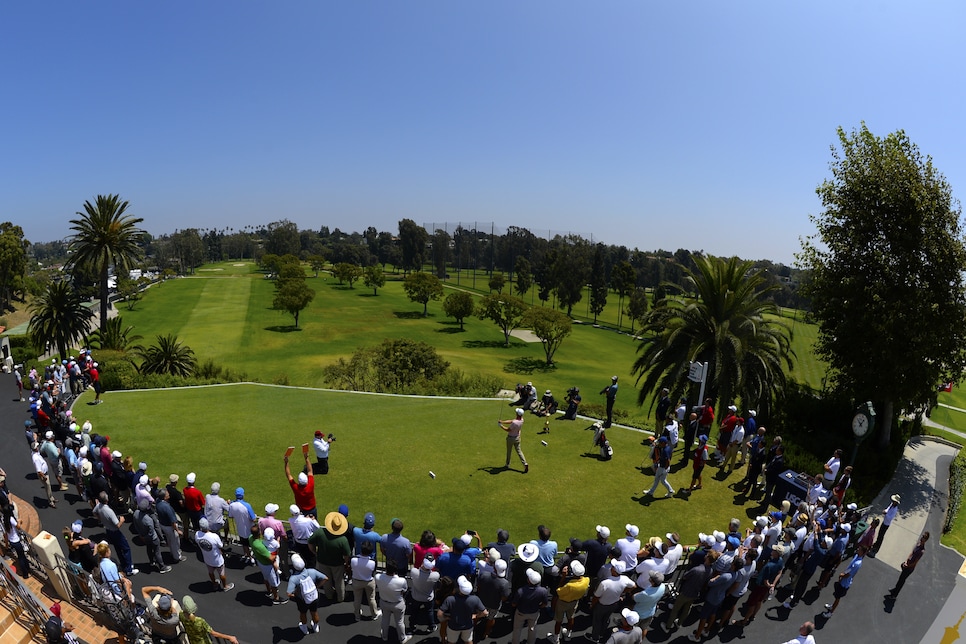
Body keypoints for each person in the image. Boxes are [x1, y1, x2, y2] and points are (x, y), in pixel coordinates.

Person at [309, 511, 351, 602]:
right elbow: (347, 554)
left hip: (322, 562)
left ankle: (329, 596)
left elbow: (310, 542)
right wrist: (346, 563)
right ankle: (341, 597)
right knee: (339, 581)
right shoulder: (342, 540)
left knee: (326, 580)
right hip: (337, 564)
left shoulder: (320, 532)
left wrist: (314, 552)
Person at [92, 492, 137, 576]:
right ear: (106, 499)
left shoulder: (98, 506)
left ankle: (124, 565)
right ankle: (129, 569)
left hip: (108, 530)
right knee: (126, 548)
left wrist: (100, 519)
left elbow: (94, 512)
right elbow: (118, 525)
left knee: (118, 548)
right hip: (115, 531)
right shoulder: (109, 511)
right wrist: (122, 520)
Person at [439, 574, 488, 644]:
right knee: (468, 641)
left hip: (453, 626)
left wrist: (446, 618)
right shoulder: (475, 599)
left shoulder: (450, 599)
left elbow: (440, 614)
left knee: (451, 642)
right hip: (468, 626)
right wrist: (476, 616)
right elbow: (485, 613)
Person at [822, 545, 867, 618]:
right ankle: (832, 606)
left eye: (860, 549)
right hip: (843, 579)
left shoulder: (857, 563)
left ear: (862, 552)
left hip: (845, 583)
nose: (858, 549)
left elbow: (849, 574)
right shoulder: (856, 556)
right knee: (836, 595)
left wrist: (841, 575)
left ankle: (831, 612)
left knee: (837, 598)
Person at [287, 553, 327, 634]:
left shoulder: (293, 578)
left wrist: (296, 596)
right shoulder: (312, 571)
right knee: (314, 612)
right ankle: (316, 627)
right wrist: (317, 586)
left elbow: (289, 593)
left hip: (302, 600)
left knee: (303, 613)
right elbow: (326, 578)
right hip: (314, 596)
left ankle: (304, 628)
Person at [550, 559, 588, 644]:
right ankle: (568, 635)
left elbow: (558, 590)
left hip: (563, 603)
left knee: (558, 621)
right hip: (574, 602)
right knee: (571, 618)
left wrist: (563, 577)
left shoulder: (569, 585)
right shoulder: (586, 580)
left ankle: (556, 639)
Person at [376, 562, 412, 644]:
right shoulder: (401, 581)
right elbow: (404, 591)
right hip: (397, 604)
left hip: (384, 602)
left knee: (385, 619)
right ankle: (402, 638)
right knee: (399, 622)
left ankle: (384, 636)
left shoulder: (378, 577)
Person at [511, 567, 548, 644]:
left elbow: (514, 604)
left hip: (521, 613)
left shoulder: (520, 591)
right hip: (534, 613)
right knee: (532, 629)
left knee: (517, 629)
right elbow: (544, 604)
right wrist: (538, 607)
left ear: (528, 580)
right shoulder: (543, 591)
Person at [195, 517, 233, 592]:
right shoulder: (214, 536)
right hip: (217, 560)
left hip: (207, 559)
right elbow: (221, 545)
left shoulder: (197, 534)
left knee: (211, 572)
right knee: (221, 573)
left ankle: (214, 584)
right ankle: (225, 586)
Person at [890, 531, 929, 598]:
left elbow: (915, 563)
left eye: (923, 537)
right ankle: (895, 589)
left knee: (902, 580)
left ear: (925, 540)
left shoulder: (921, 551)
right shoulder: (918, 544)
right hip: (907, 563)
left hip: (910, 568)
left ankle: (894, 595)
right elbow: (912, 553)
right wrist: (906, 561)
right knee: (900, 578)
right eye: (922, 536)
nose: (922, 538)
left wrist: (908, 566)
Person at [410, 553, 441, 634]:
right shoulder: (435, 575)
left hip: (416, 597)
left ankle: (412, 626)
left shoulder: (414, 571)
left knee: (414, 612)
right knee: (429, 612)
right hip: (428, 598)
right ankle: (431, 626)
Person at [350, 541, 380, 621]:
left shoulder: (353, 559)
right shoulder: (372, 562)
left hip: (356, 581)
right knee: (371, 599)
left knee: (357, 599)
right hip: (368, 582)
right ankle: (374, 614)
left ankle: (357, 616)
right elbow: (373, 571)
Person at [284, 449, 317, 516]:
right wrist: (306, 457)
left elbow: (289, 475)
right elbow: (310, 471)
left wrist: (286, 462)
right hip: (312, 509)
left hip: (301, 511)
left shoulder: (296, 488)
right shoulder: (310, 485)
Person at [499, 408, 529, 473]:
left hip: (511, 438)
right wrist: (502, 421)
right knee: (519, 451)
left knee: (509, 451)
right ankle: (525, 463)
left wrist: (501, 426)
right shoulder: (522, 420)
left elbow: (508, 430)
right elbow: (511, 421)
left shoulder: (515, 423)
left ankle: (507, 464)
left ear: (517, 414)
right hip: (517, 438)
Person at [31, 441, 57, 507]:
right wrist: (44, 477)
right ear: (35, 448)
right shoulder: (36, 458)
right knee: (47, 487)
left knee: (49, 487)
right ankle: (50, 501)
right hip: (43, 475)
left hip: (45, 473)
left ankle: (52, 498)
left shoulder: (36, 453)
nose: (38, 447)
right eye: (37, 446)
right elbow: (39, 471)